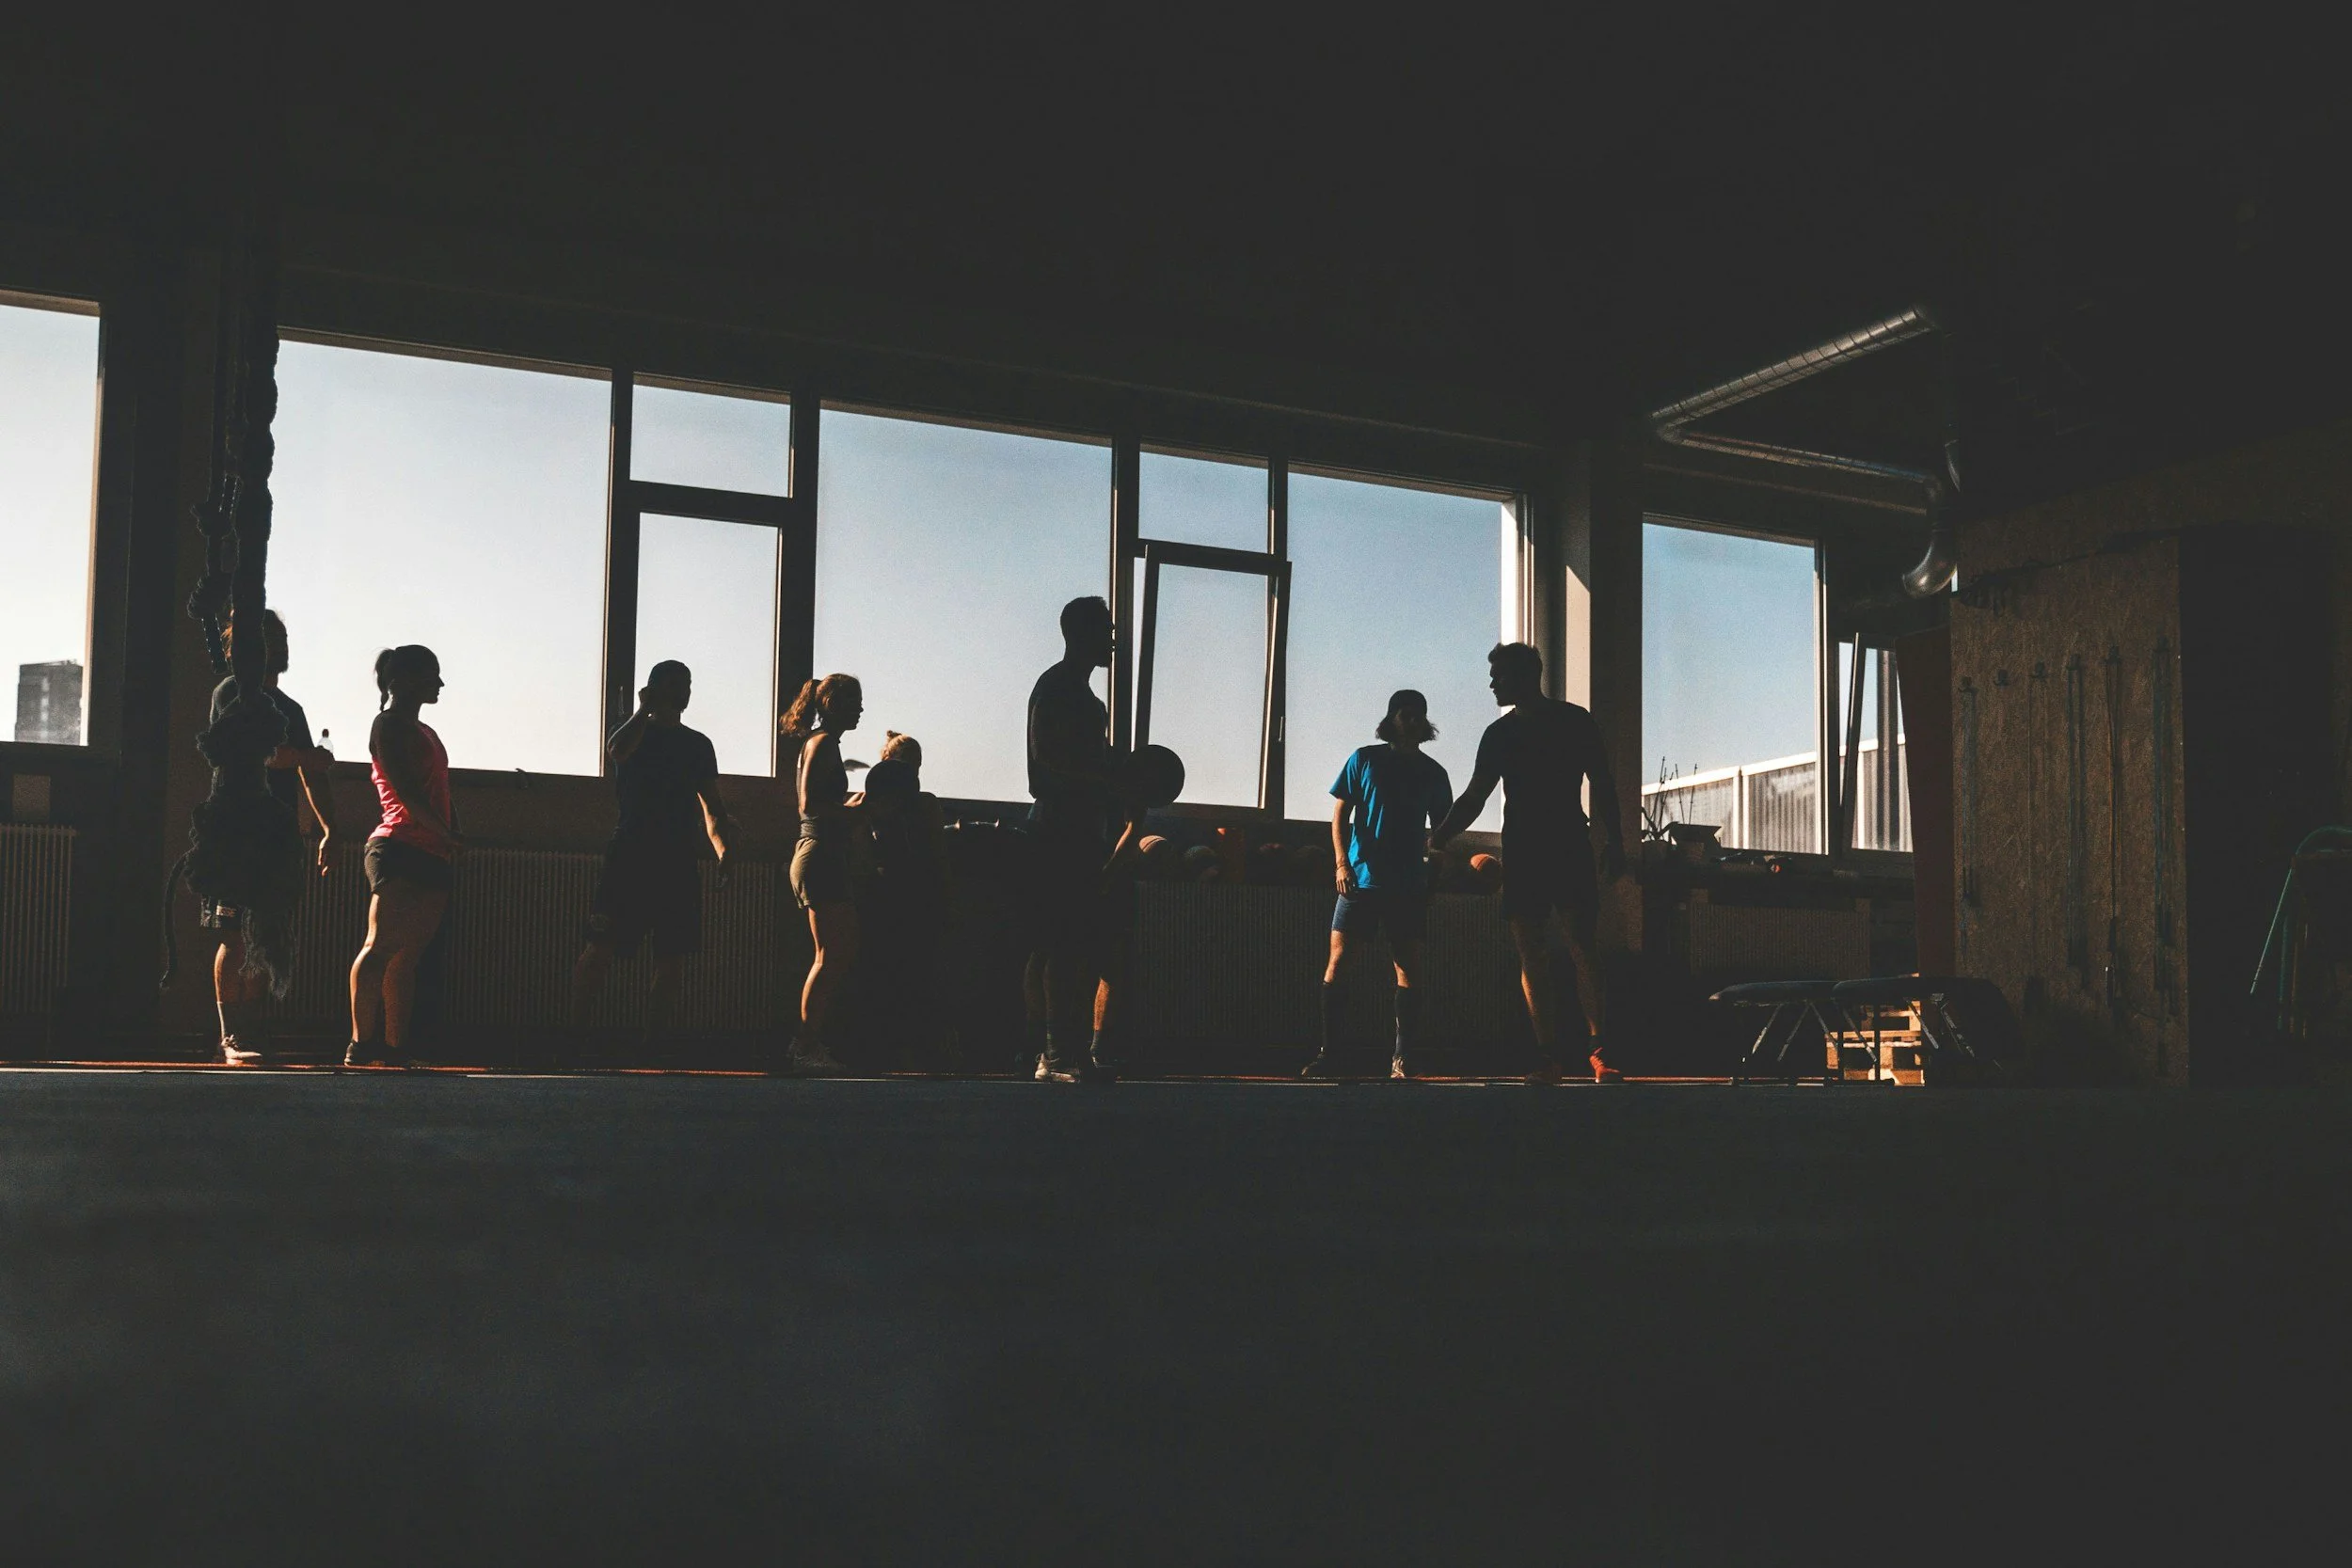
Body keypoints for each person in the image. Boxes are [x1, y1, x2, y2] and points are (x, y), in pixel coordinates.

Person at [1430, 642, 1628, 1083]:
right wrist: (1439, 837)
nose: (1491, 684)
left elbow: (1603, 783)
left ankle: (1597, 1050)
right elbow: (1475, 796)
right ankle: (1548, 1055)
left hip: (1565, 844)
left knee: (1581, 946)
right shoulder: (1500, 734)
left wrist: (1616, 841)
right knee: (1533, 951)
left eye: (1498, 676)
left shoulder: (1573, 721)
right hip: (1525, 849)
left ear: (1524, 676)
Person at [571, 660, 734, 1056]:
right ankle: (574, 1036)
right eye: (676, 684)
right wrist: (643, 710)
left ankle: (653, 1044)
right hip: (630, 854)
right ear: (654, 688)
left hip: (677, 859)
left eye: (688, 684)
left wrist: (723, 851)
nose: (684, 691)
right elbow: (617, 751)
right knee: (601, 946)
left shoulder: (697, 745)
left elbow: (712, 808)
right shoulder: (633, 733)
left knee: (671, 956)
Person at [205, 610, 338, 1066]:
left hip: (275, 842)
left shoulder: (291, 709)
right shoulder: (231, 693)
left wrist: (331, 829)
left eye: (281, 638)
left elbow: (310, 775)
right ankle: (231, 1035)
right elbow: (255, 753)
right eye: (268, 639)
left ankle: (252, 1030)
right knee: (236, 936)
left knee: (265, 937)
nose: (279, 647)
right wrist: (305, 757)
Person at [1303, 689, 1453, 1082]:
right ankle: (1331, 1054)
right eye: (1406, 714)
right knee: (1339, 962)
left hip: (1408, 885)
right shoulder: (1364, 760)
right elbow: (1340, 814)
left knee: (1408, 966)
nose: (1413, 721)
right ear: (1391, 719)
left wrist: (1433, 880)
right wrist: (1342, 863)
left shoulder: (1434, 773)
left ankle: (1403, 1059)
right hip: (1361, 881)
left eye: (1419, 715)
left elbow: (1442, 833)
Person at [1025, 594, 1136, 1083]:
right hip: (1057, 834)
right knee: (1061, 945)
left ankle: (1069, 1051)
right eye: (1105, 630)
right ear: (1080, 634)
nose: (1112, 639)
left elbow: (1098, 769)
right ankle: (1053, 1055)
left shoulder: (1091, 704)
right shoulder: (1054, 690)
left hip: (1088, 835)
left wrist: (1125, 782)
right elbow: (1040, 775)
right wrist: (1103, 784)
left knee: (1085, 944)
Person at [348, 644, 457, 1069]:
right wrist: (446, 833)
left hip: (432, 851)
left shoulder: (426, 731)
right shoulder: (388, 725)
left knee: (407, 957)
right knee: (380, 946)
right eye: (431, 674)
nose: (440, 683)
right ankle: (361, 1044)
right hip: (398, 847)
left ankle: (395, 1048)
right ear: (402, 681)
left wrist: (449, 835)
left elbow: (437, 790)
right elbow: (407, 792)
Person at [781, 673, 863, 1075]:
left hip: (822, 854)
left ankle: (809, 1041)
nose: (861, 709)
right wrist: (857, 810)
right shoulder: (824, 743)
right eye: (854, 701)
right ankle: (804, 1046)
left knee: (835, 953)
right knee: (830, 955)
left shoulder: (820, 742)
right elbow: (809, 805)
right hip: (819, 854)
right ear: (832, 704)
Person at [858, 731, 951, 1067]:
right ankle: (898, 1045)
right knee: (901, 969)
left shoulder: (919, 804)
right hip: (900, 892)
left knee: (907, 969)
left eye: (916, 765)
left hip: (902, 892)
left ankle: (905, 1046)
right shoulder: (894, 804)